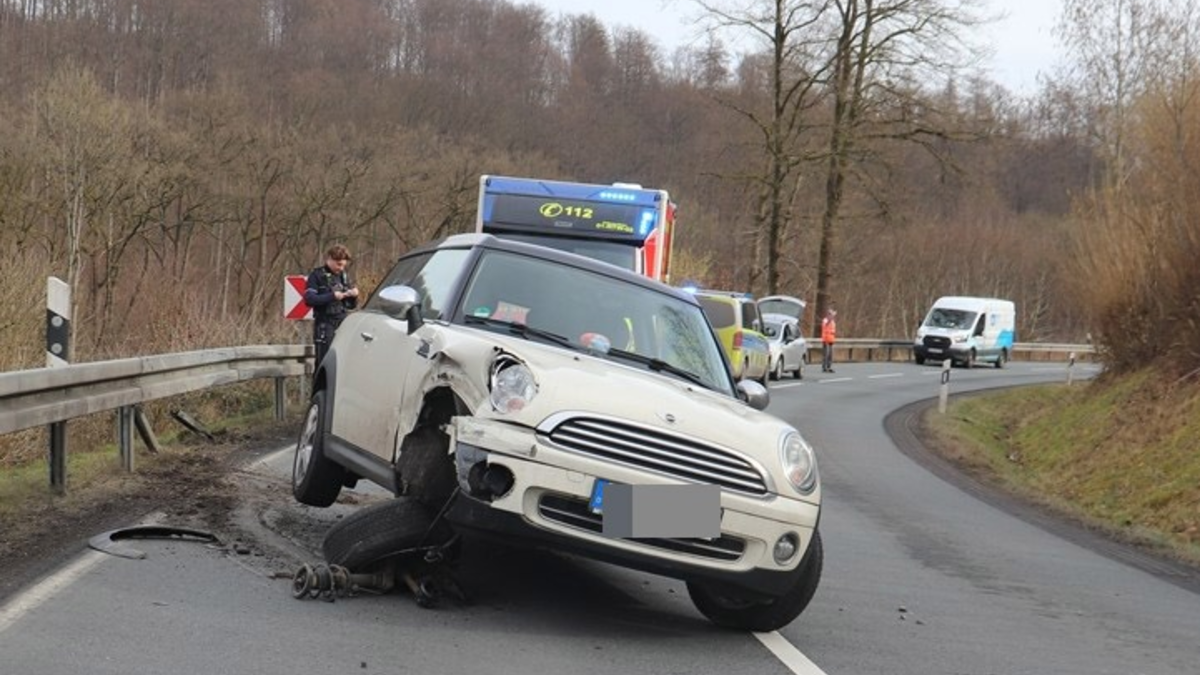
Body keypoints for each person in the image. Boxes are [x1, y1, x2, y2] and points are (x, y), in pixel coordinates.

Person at [305, 244, 359, 369]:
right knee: (324, 363)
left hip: (342, 323)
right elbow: (309, 299)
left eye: (343, 265)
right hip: (325, 324)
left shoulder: (344, 277)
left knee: (342, 362)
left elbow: (351, 306)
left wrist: (353, 295)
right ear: (329, 259)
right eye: (338, 264)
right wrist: (332, 296)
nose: (341, 268)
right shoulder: (317, 275)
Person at [821, 307, 837, 373]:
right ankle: (824, 367)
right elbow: (826, 324)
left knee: (830, 354)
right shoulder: (825, 320)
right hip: (826, 340)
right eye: (830, 314)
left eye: (831, 314)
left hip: (831, 340)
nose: (830, 315)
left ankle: (829, 366)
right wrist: (832, 317)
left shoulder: (833, 322)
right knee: (826, 354)